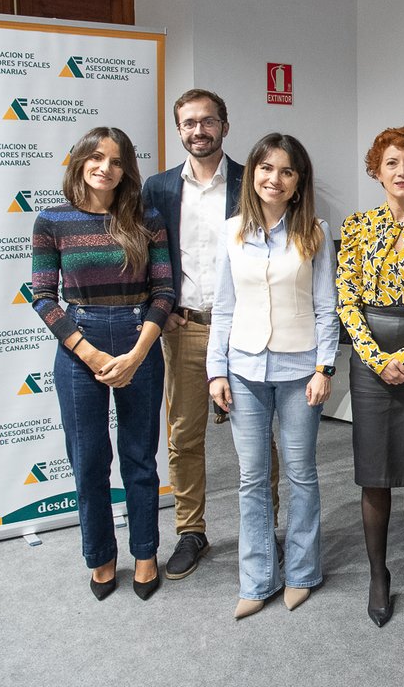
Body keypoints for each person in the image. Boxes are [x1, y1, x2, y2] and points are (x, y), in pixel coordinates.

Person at [31, 127, 174, 601]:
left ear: (126, 169)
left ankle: (147, 552)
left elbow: (164, 294)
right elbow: (43, 296)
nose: (104, 168)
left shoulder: (145, 216)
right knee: (89, 460)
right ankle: (102, 556)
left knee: (139, 457)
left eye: (115, 161)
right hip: (78, 345)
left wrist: (136, 354)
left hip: (140, 340)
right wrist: (88, 352)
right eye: (95, 157)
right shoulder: (52, 220)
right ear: (78, 161)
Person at [142, 88, 279, 581]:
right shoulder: (156, 188)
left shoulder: (252, 181)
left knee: (259, 437)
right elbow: (141, 254)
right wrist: (157, 309)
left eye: (208, 121)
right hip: (185, 329)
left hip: (247, 330)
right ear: (178, 129)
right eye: (189, 123)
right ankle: (191, 530)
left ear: (225, 125)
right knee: (184, 436)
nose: (198, 130)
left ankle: (266, 527)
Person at [207, 133, 337, 619]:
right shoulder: (232, 231)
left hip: (300, 369)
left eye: (285, 171)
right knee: (251, 478)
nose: (273, 179)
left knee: (301, 474)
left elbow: (328, 308)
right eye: (265, 168)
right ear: (252, 175)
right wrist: (215, 370)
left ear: (298, 181)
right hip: (242, 369)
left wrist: (326, 367)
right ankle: (257, 578)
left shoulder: (315, 231)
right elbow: (223, 307)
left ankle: (302, 573)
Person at [336, 126, 404, 627]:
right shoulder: (357, 225)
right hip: (370, 356)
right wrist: (378, 358)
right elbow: (347, 299)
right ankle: (379, 574)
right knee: (375, 474)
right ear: (376, 170)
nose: (403, 172)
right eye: (393, 163)